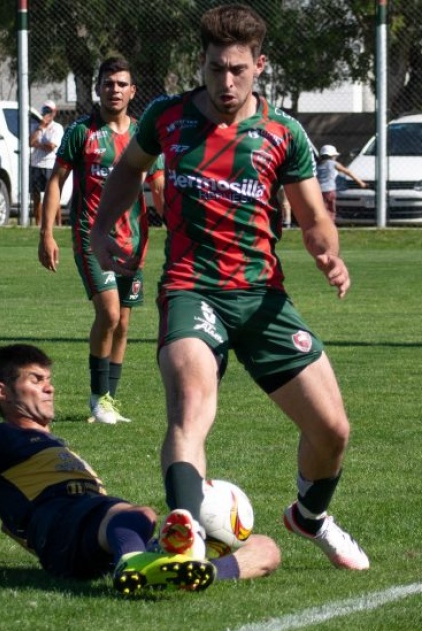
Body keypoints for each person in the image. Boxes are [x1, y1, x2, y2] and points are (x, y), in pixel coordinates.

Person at [90, 4, 370, 571]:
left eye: (238, 69)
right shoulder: (167, 118)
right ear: (202, 63)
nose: (226, 82)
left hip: (262, 297)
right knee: (191, 405)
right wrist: (101, 229)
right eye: (216, 69)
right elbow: (128, 171)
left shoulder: (282, 133)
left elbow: (313, 216)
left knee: (333, 430)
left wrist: (327, 253)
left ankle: (310, 516)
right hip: (192, 289)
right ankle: (185, 532)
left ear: (259, 65)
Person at [0, 344, 281, 594]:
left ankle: (185, 571)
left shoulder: (55, 444)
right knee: (136, 515)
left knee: (266, 549)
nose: (49, 386)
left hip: (93, 527)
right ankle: (135, 562)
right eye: (34, 379)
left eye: (49, 379)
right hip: (61, 528)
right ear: (2, 391)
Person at [38, 56, 165, 425]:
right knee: (108, 312)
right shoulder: (81, 131)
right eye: (108, 83)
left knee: (123, 322)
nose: (115, 90)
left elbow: (157, 184)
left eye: (122, 84)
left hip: (134, 241)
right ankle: (97, 398)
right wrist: (47, 233)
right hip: (91, 238)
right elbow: (56, 181)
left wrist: (177, 220)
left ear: (132, 91)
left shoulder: (144, 134)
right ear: (98, 88)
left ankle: (109, 400)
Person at [29, 100, 64, 227]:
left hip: (50, 165)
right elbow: (31, 142)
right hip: (36, 164)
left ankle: (58, 223)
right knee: (36, 196)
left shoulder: (57, 128)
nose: (46, 114)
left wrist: (39, 145)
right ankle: (38, 223)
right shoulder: (36, 127)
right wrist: (41, 128)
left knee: (53, 195)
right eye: (45, 111)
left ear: (54, 113)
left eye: (49, 111)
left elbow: (51, 146)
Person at [316, 144, 367, 222]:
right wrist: (360, 182)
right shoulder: (333, 163)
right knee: (331, 210)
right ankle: (329, 225)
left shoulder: (318, 165)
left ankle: (322, 223)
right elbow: (347, 172)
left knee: (322, 209)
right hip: (330, 190)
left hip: (319, 191)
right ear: (332, 156)